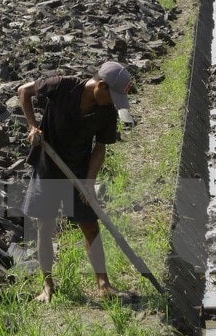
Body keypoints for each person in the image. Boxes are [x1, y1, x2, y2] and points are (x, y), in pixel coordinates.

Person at [18, 61, 134, 302]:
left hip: (79, 170)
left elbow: (100, 148)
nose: (113, 103)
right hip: (48, 166)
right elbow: (23, 91)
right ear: (100, 86)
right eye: (111, 96)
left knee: (90, 226)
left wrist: (89, 182)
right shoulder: (62, 86)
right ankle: (47, 285)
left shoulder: (106, 112)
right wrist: (32, 126)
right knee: (45, 226)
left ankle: (103, 284)